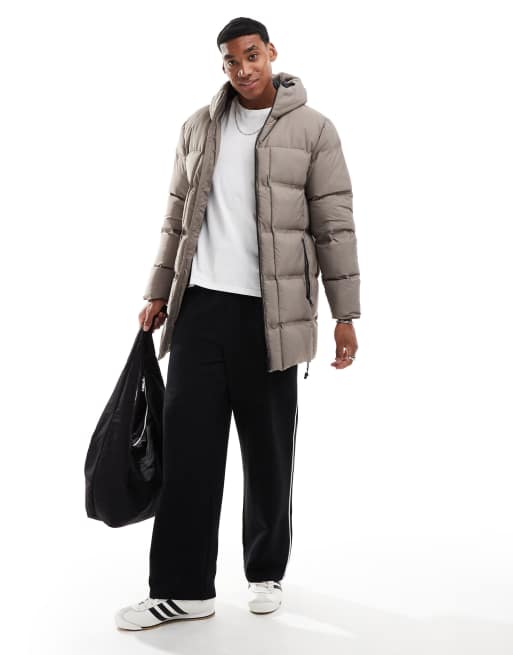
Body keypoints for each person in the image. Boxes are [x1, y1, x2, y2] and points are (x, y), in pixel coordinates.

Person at [115, 16, 360, 631]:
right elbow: (176, 215)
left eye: (252, 55)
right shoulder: (199, 126)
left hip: (272, 315)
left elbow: (334, 225)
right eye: (231, 60)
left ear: (271, 52)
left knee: (268, 452)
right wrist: (158, 291)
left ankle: (265, 571)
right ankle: (183, 590)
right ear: (222, 65)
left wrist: (345, 315)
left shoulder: (314, 130)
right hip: (199, 309)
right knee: (189, 456)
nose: (243, 68)